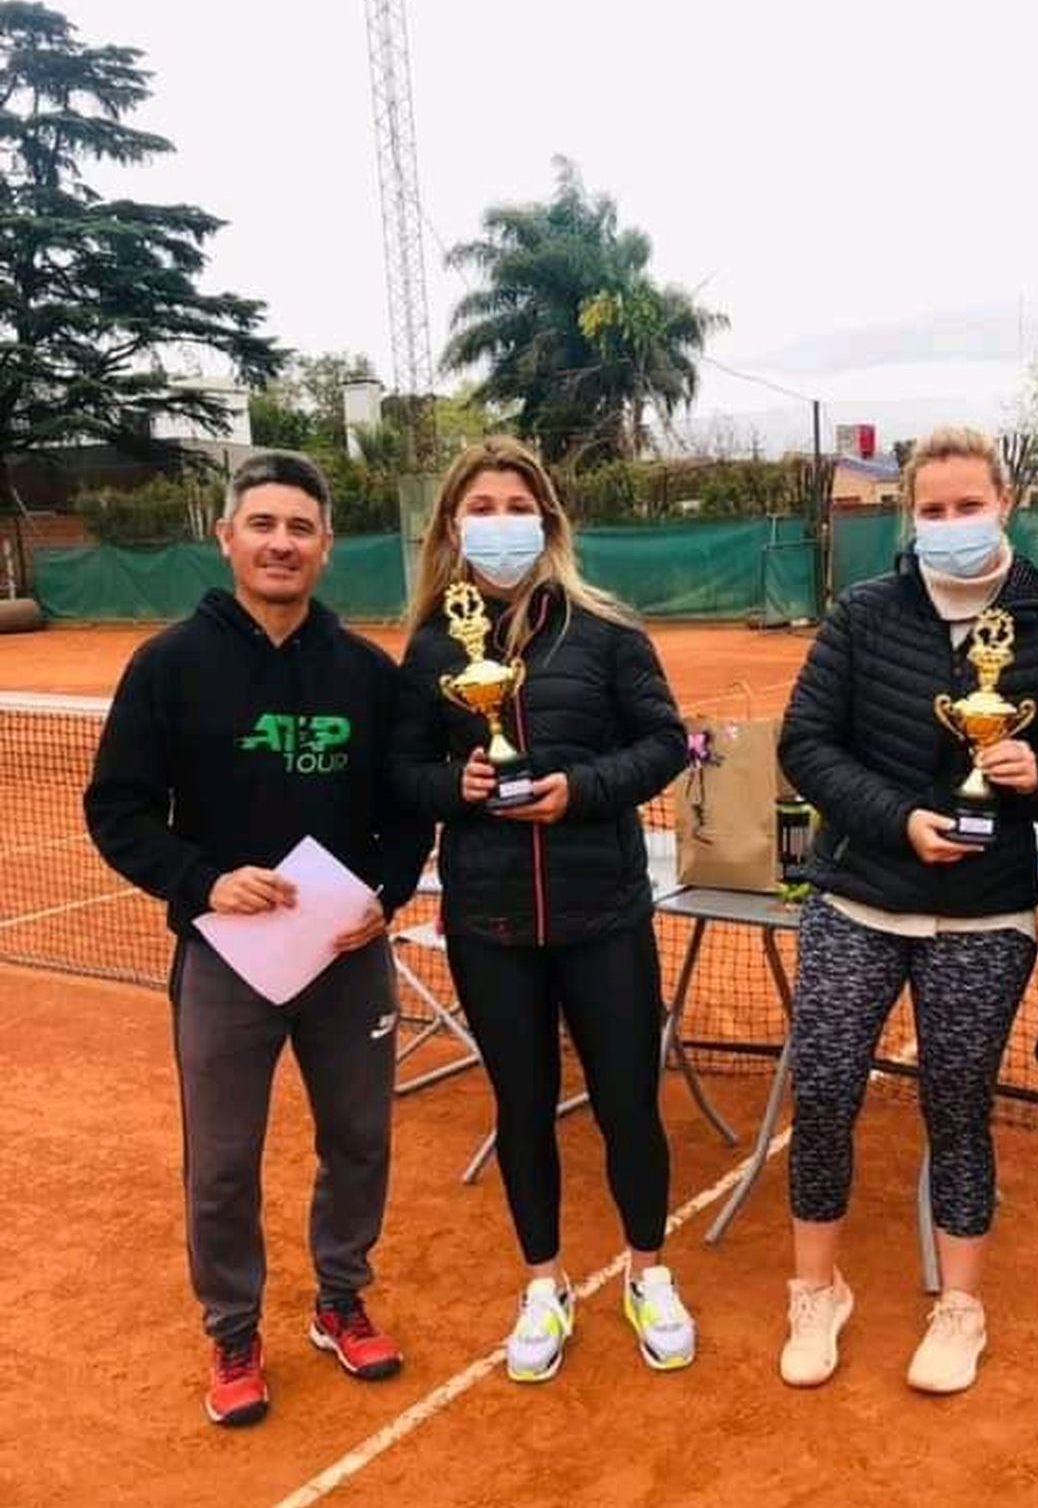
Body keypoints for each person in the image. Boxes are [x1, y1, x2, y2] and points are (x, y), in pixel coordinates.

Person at [84, 452, 432, 1428]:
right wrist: (203, 881)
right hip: (224, 958)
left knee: (359, 1139)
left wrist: (387, 893)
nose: (282, 542)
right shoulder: (167, 666)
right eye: (264, 524)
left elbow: (406, 810)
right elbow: (118, 809)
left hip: (345, 955)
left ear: (326, 548)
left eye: (302, 527)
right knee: (225, 1160)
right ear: (227, 537)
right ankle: (233, 1329)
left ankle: (340, 1299)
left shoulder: (367, 673)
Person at [776, 425, 1038, 1394]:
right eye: (933, 510)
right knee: (821, 1094)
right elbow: (806, 745)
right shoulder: (865, 612)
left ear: (1006, 504)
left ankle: (961, 1305)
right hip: (859, 895)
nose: (951, 524)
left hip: (985, 916)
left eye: (968, 505)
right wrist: (898, 819)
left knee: (958, 1108)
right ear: (911, 516)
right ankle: (815, 1290)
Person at [391, 438, 693, 1384]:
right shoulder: (435, 645)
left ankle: (649, 1271)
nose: (499, 520)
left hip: (601, 912)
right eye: (479, 505)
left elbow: (665, 742)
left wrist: (582, 787)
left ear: (549, 520)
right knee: (520, 1108)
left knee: (629, 1106)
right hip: (491, 924)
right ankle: (544, 1283)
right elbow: (401, 774)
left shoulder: (605, 629)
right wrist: (459, 782)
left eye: (516, 503)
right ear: (451, 525)